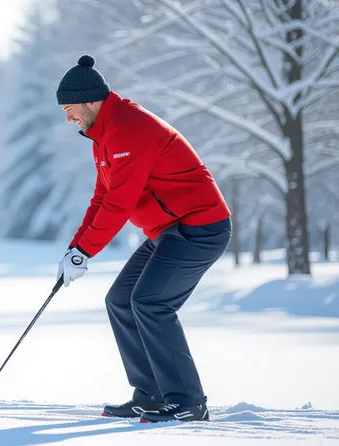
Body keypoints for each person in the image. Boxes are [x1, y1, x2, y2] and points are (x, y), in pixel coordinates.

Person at [54, 55, 231, 423]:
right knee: (120, 300)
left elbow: (121, 202)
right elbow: (101, 197)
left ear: (90, 101)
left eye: (70, 109)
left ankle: (188, 401)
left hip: (199, 228)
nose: (68, 118)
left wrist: (87, 250)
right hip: (170, 232)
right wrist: (75, 249)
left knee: (151, 303)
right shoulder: (102, 137)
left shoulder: (129, 129)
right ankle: (150, 394)